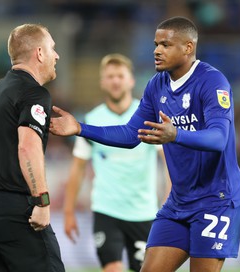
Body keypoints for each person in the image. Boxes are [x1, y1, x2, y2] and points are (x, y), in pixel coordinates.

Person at [50, 16, 240, 272]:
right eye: (156, 44)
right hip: (180, 202)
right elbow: (132, 134)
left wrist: (175, 134)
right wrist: (80, 128)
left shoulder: (212, 82)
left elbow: (219, 139)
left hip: (216, 199)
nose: (156, 50)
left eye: (165, 45)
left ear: (188, 47)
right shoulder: (157, 86)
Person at [0, 24, 65, 272]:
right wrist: (41, 201)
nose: (57, 55)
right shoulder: (34, 93)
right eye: (52, 48)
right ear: (40, 53)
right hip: (12, 210)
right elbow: (28, 147)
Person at [64, 54, 170, 272]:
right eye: (110, 76)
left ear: (131, 80)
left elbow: (170, 164)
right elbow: (78, 169)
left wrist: (169, 203)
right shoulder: (91, 120)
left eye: (120, 76)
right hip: (106, 210)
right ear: (103, 82)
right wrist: (68, 212)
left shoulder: (149, 117)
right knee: (112, 268)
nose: (115, 81)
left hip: (143, 212)